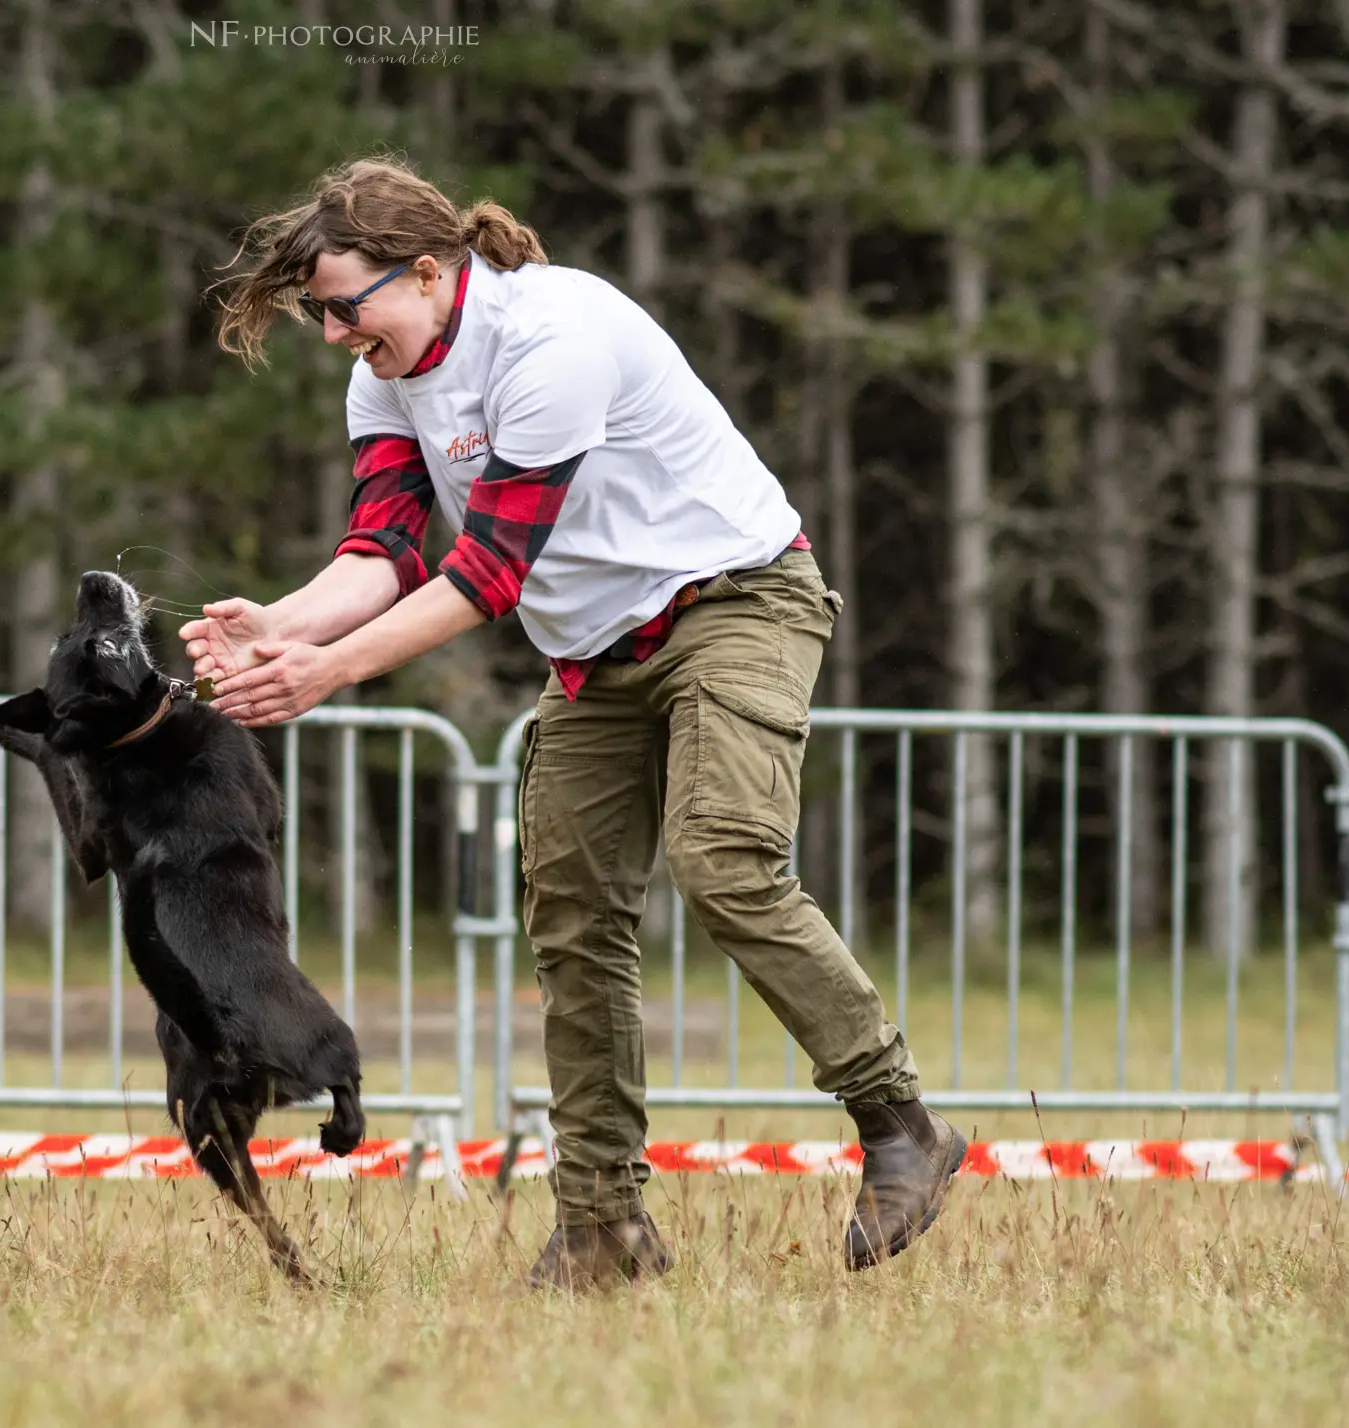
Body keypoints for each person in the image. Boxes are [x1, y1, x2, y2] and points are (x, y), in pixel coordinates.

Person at [180, 156, 966, 1289]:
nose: (329, 334)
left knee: (724, 863)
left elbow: (487, 572)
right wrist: (282, 626)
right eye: (316, 312)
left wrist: (323, 675)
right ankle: (603, 1229)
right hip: (594, 654)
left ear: (430, 272)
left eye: (343, 306)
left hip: (733, 601)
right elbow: (390, 551)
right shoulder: (384, 376)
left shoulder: (553, 340)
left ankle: (899, 1125)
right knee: (572, 916)